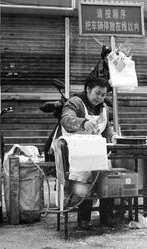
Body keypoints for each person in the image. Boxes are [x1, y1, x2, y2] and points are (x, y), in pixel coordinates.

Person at [60, 76, 119, 229]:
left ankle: (106, 216)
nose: (100, 98)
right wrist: (83, 123)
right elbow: (66, 120)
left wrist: (112, 136)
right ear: (87, 90)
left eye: (103, 95)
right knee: (85, 179)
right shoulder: (74, 103)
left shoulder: (103, 107)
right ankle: (83, 219)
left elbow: (106, 128)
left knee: (107, 178)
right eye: (97, 93)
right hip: (77, 152)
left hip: (98, 150)